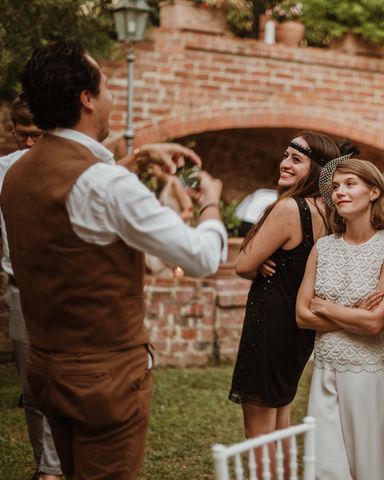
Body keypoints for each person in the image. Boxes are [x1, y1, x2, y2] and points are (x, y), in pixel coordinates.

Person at [0, 40, 228, 479]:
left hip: (47, 368)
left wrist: (136, 159)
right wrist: (211, 205)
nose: (110, 98)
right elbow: (201, 258)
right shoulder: (104, 184)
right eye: (106, 87)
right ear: (86, 99)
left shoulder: (14, 173)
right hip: (105, 379)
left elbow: (78, 206)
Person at [229, 132, 341, 446]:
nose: (284, 164)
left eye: (296, 159)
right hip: (297, 328)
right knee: (280, 422)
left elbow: (242, 265)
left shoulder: (290, 208)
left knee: (259, 434)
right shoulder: (330, 213)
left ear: (318, 169)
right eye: (285, 156)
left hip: (270, 324)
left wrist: (258, 262)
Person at [296, 158, 384, 479]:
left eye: (350, 184)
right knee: (325, 471)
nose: (340, 192)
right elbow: (302, 316)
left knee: (370, 471)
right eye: (336, 187)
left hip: (369, 373)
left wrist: (325, 308)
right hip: (325, 370)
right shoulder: (323, 248)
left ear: (373, 192)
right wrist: (354, 313)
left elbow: (375, 324)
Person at [0, 95, 62, 480]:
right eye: (23, 135)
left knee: (62, 382)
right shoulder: (2, 171)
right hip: (20, 292)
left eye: (38, 136)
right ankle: (46, 465)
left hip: (62, 291)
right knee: (32, 387)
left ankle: (58, 466)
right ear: (13, 133)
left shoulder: (65, 171)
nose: (29, 144)